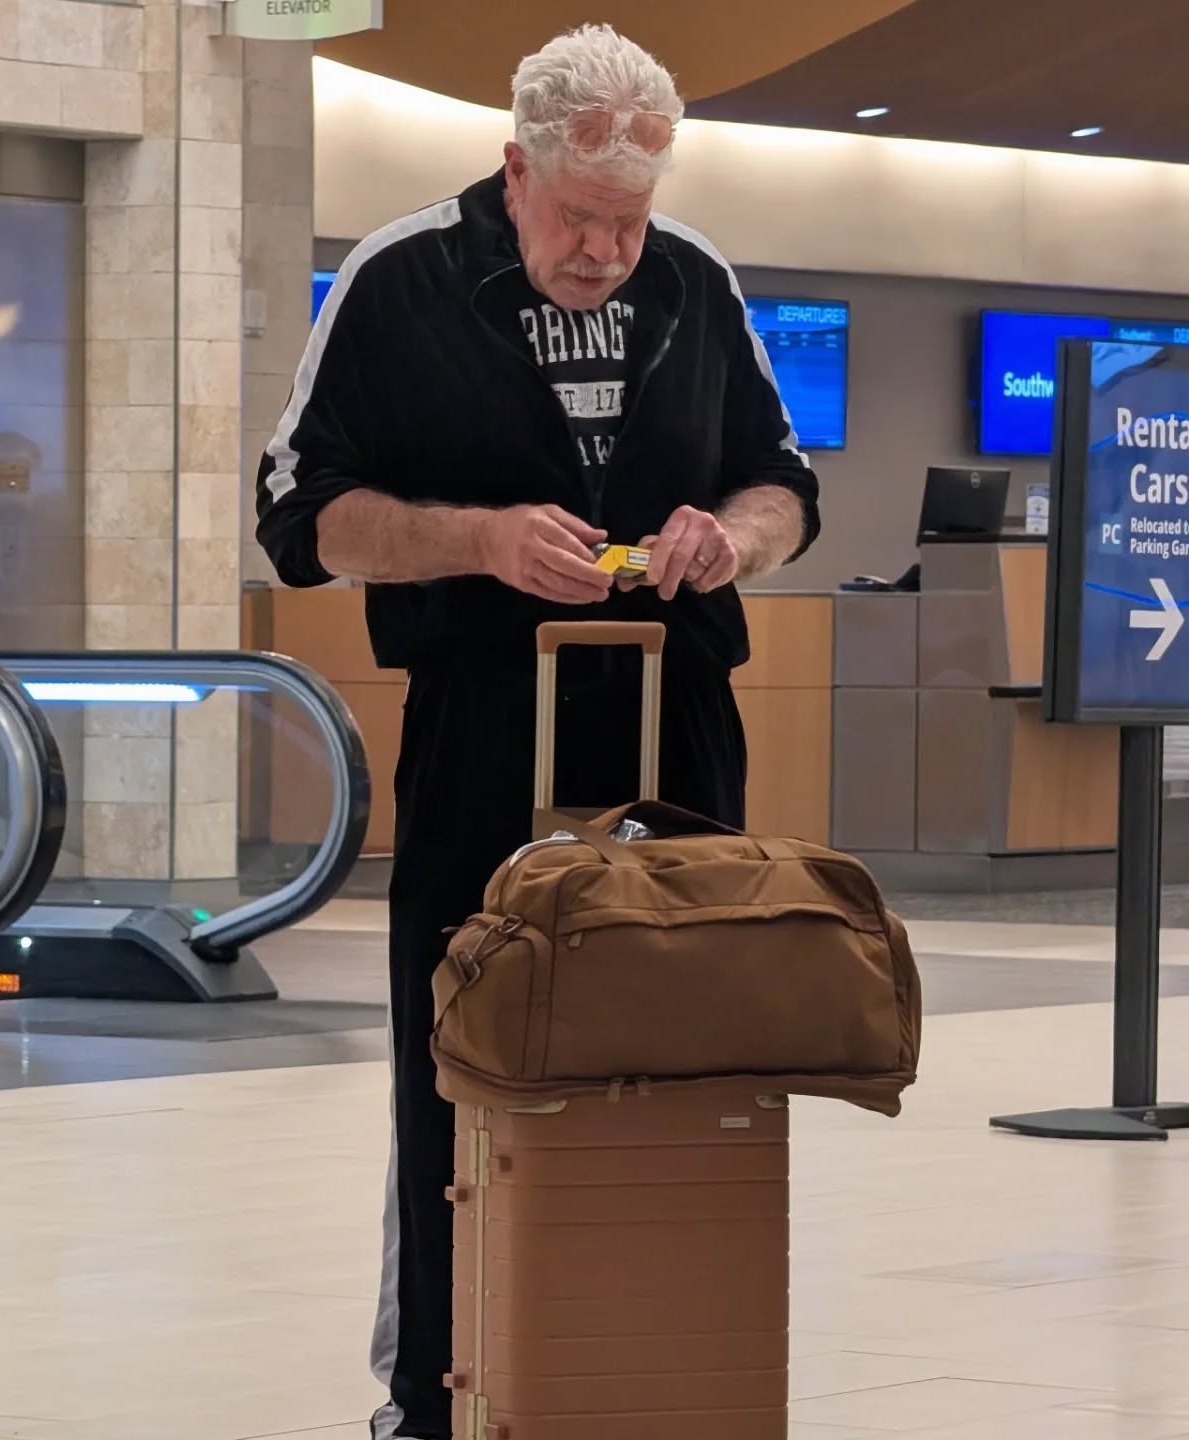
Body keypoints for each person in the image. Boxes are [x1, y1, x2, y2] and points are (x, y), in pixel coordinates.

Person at [255, 24, 821, 1439]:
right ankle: (442, 1389)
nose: (605, 252)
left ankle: (652, 1372)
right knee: (467, 1058)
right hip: (485, 729)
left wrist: (732, 540)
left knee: (688, 1044)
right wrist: (479, 539)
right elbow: (302, 524)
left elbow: (785, 484)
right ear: (515, 169)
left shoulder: (695, 280)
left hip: (676, 733)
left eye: (627, 220)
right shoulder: (404, 278)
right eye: (578, 218)